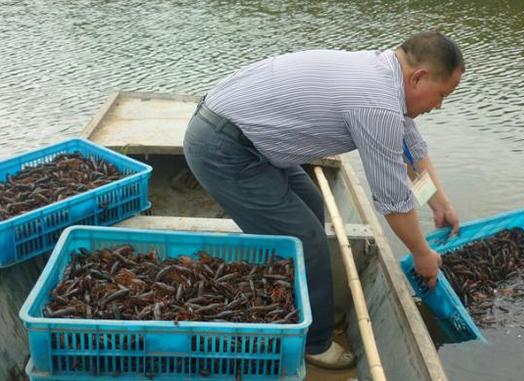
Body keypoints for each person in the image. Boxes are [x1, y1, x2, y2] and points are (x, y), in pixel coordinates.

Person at [183, 31, 464, 369]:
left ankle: (298, 299)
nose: (439, 106)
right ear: (418, 77)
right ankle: (315, 344)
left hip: (250, 139)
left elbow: (411, 152)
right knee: (307, 240)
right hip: (224, 149)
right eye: (442, 94)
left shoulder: (385, 75)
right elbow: (393, 201)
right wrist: (422, 255)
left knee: (313, 207)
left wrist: (439, 203)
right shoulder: (376, 104)